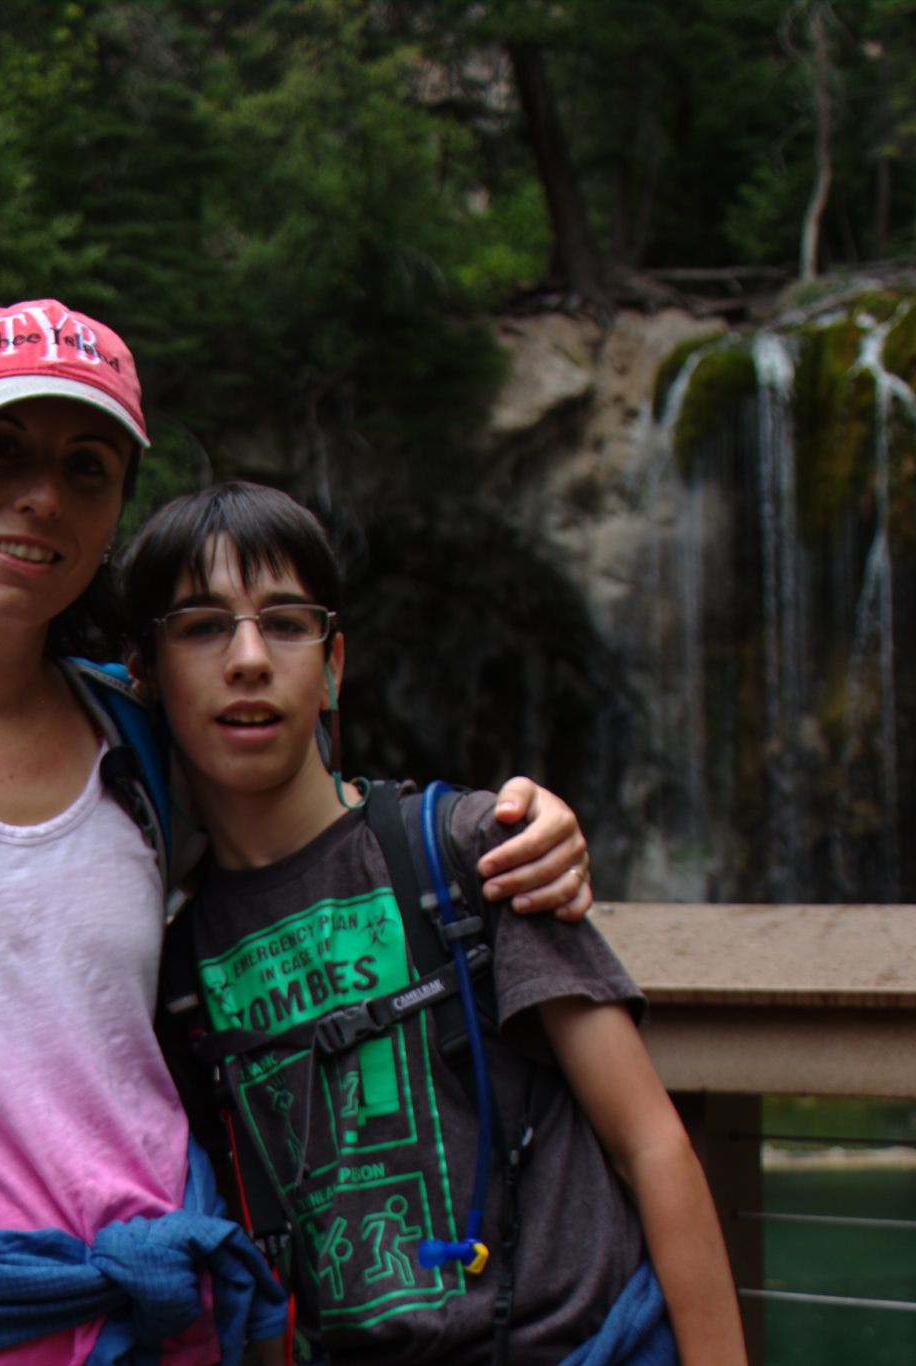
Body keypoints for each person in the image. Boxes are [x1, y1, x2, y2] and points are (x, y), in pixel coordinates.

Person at [0, 297, 597, 1364]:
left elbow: (321, 818)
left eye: (86, 469)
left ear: (114, 511)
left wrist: (522, 820)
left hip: (160, 1319)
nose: (40, 499)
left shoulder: (147, 737)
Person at [120, 481, 749, 1364]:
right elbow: (254, 1264)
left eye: (287, 622)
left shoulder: (467, 851)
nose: (250, 658)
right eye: (201, 626)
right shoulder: (178, 975)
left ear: (334, 663)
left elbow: (650, 1143)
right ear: (142, 673)